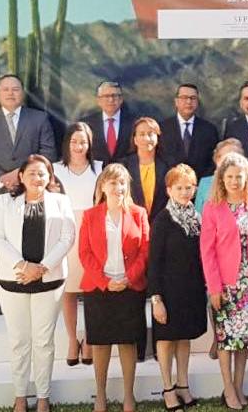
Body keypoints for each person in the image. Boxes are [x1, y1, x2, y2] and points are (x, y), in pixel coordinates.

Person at [0, 155, 75, 412]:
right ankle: (20, 396)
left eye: (43, 173)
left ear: (50, 177)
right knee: (19, 340)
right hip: (13, 280)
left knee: (44, 341)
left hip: (49, 281)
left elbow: (67, 237)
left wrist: (42, 268)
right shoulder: (4, 202)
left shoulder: (61, 202)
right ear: (22, 176)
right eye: (33, 173)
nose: (38, 178)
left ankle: (43, 397)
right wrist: (24, 266)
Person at [0, 73, 58, 316]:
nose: (11, 93)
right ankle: (2, 298)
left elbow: (48, 152)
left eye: (16, 89)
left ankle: (33, 289)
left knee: (34, 242)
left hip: (33, 193)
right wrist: (2, 177)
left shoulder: (39, 118)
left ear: (22, 93)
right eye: (5, 89)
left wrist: (20, 175)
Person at [78, 163, 150, 412]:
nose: (117, 187)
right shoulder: (90, 215)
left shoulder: (139, 213)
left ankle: (128, 396)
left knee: (127, 343)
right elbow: (84, 254)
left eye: (122, 183)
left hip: (130, 287)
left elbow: (145, 251)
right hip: (99, 289)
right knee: (100, 343)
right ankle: (101, 395)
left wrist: (128, 278)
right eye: (112, 182)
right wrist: (106, 282)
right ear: (102, 186)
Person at [201, 153, 248, 410]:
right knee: (226, 339)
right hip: (226, 284)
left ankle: (239, 387)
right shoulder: (212, 207)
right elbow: (207, 251)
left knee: (244, 339)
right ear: (221, 179)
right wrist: (214, 288)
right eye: (229, 177)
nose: (235, 181)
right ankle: (227, 389)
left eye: (239, 176)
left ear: (247, 177)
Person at [148, 164, 206, 410]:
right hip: (168, 290)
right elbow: (154, 261)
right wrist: (156, 298)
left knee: (184, 337)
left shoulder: (197, 217)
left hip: (191, 289)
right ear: (169, 189)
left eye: (188, 187)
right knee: (167, 339)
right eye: (179, 187)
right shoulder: (163, 219)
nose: (184, 192)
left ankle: (183, 384)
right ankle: (168, 387)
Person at [52, 122, 102, 365]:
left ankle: (92, 339)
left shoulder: (100, 169)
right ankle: (73, 339)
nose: (79, 146)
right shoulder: (54, 170)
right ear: (67, 144)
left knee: (92, 289)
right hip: (65, 233)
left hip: (93, 233)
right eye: (74, 142)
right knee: (69, 290)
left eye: (83, 142)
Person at [158, 83, 220, 178]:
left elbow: (214, 160)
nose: (188, 101)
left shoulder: (209, 130)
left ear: (197, 102)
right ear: (176, 101)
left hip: (201, 186)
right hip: (170, 187)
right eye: (184, 97)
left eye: (193, 98)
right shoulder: (162, 128)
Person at [122, 116, 169, 224]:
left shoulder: (168, 165)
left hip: (161, 226)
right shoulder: (124, 166)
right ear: (135, 139)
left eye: (150, 134)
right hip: (132, 224)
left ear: (157, 138)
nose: (147, 138)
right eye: (142, 134)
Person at [82, 81, 137, 164]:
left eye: (115, 95)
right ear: (98, 100)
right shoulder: (86, 124)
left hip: (126, 174)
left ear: (121, 99)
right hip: (96, 175)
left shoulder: (135, 123)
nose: (111, 99)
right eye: (106, 96)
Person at [195, 138, 244, 213]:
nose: (230, 162)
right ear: (217, 160)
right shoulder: (205, 183)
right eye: (226, 157)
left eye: (235, 157)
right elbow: (198, 215)